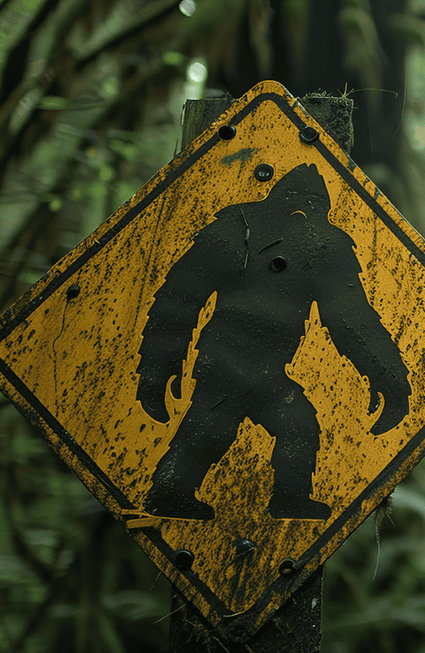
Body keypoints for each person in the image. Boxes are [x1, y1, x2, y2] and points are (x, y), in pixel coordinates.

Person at [135, 163, 410, 520]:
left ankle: (288, 501)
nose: (301, 212)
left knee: (297, 425)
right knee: (211, 426)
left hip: (268, 368)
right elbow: (179, 300)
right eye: (293, 200)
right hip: (223, 360)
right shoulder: (238, 230)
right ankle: (169, 492)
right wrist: (158, 369)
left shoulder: (325, 247)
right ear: (275, 199)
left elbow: (353, 321)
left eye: (312, 205)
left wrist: (388, 379)